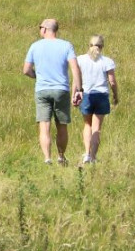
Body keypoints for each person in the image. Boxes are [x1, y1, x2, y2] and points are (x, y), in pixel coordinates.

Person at [23, 18, 83, 165]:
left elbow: (26, 70)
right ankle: (61, 157)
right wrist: (79, 90)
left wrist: (37, 76)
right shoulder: (66, 45)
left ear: (44, 29)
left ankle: (47, 158)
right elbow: (75, 69)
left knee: (44, 126)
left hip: (42, 90)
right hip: (61, 89)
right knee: (61, 125)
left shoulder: (35, 46)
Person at [77, 35, 119, 164]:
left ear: (89, 45)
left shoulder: (80, 60)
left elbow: (76, 79)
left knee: (87, 125)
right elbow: (112, 81)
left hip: (86, 94)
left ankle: (87, 154)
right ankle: (94, 157)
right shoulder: (107, 61)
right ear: (102, 47)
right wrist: (116, 95)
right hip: (101, 95)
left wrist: (75, 93)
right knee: (96, 127)